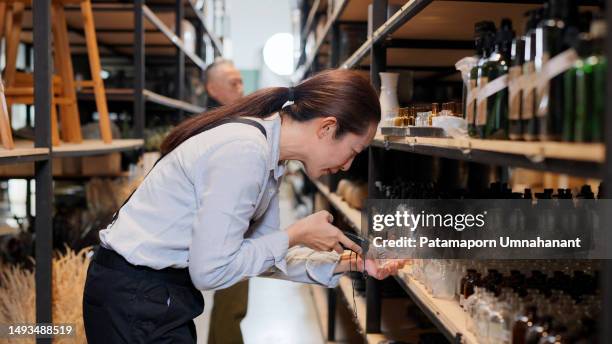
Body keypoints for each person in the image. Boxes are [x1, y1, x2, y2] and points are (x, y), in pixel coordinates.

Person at [82, 69, 405, 344]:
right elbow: (211, 271)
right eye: (353, 151)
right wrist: (294, 234)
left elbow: (256, 256)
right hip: (134, 299)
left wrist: (350, 264)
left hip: (151, 295)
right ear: (327, 128)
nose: (349, 166)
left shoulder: (269, 158)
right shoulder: (245, 152)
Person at [203, 58, 251, 344]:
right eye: (233, 83)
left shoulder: (238, 120)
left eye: (241, 81)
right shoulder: (209, 126)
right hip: (219, 222)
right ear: (212, 88)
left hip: (235, 221)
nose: (241, 87)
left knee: (234, 300)